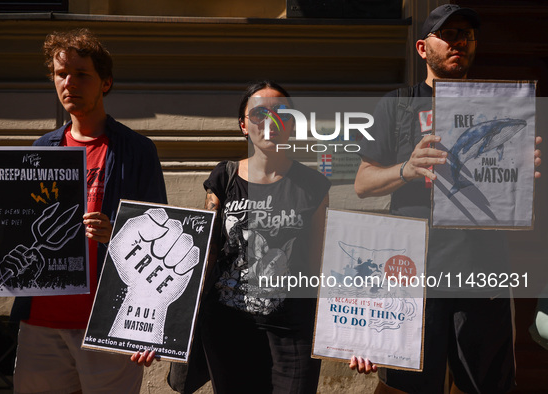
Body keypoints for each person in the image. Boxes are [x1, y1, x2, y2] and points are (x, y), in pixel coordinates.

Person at [352, 4, 542, 393]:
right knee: (404, 388)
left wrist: (524, 172)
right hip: (411, 276)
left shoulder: (499, 106)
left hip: (483, 272)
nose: (459, 41)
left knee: (487, 385)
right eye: (448, 33)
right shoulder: (398, 104)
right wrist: (406, 167)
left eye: (466, 34)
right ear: (422, 48)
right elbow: (362, 183)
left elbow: (516, 200)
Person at [0, 28, 167, 393]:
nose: (69, 83)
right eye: (61, 75)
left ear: (105, 83)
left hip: (107, 322)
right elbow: (18, 226)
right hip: (41, 323)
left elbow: (160, 235)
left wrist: (149, 325)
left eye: (81, 75)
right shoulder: (41, 147)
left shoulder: (137, 150)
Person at [197, 81, 330, 393]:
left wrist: (345, 335)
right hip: (227, 327)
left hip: (292, 329)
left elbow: (318, 267)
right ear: (244, 126)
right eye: (259, 114)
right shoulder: (223, 178)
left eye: (281, 112)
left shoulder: (313, 185)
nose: (270, 121)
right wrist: (168, 324)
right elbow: (205, 256)